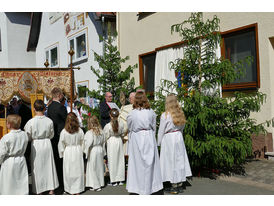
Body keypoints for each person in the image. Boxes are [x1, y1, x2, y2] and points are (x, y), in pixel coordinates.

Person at [126, 91, 163, 195]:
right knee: (149, 164)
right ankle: (151, 186)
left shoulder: (132, 113)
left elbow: (130, 127)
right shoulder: (151, 112)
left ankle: (139, 187)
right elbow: (154, 126)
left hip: (137, 137)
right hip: (149, 137)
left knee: (138, 164)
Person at [158, 94, 192, 194]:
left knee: (171, 161)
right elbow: (182, 127)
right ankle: (179, 184)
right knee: (179, 160)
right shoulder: (180, 114)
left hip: (169, 139)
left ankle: (174, 186)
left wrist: (158, 143)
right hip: (178, 137)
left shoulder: (165, 115)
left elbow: (161, 130)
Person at [24, 100, 59, 195]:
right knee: (49, 166)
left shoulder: (30, 122)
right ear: (44, 108)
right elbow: (52, 134)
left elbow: (27, 136)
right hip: (47, 143)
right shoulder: (49, 121)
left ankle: (39, 189)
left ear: (34, 109)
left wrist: (33, 139)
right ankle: (51, 189)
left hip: (36, 144)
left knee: (37, 167)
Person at [0, 114, 29, 195]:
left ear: (9, 124)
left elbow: (1, 153)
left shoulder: (6, 137)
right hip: (21, 159)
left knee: (9, 184)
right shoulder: (24, 134)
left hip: (9, 162)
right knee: (20, 182)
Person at [58, 112, 85, 195]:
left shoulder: (64, 131)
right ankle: (78, 189)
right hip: (77, 150)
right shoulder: (80, 130)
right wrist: (83, 151)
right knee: (78, 170)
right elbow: (83, 142)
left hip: (68, 151)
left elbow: (61, 143)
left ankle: (70, 189)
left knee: (69, 171)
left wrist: (61, 153)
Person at [47, 87, 68, 192]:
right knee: (63, 160)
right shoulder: (61, 107)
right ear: (59, 95)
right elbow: (67, 121)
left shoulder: (49, 107)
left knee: (56, 160)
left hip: (53, 136)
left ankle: (57, 182)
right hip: (61, 135)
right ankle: (64, 183)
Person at [83, 115, 105, 192]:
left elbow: (88, 143)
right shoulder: (101, 131)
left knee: (93, 167)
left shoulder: (90, 132)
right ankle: (100, 182)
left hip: (93, 150)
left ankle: (96, 185)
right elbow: (104, 142)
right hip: (100, 149)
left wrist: (85, 150)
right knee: (99, 167)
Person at [104, 108, 125, 186]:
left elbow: (105, 136)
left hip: (111, 141)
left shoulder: (108, 126)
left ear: (110, 115)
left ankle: (113, 180)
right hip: (118, 140)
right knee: (120, 160)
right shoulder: (121, 124)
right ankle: (120, 179)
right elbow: (122, 133)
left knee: (112, 160)